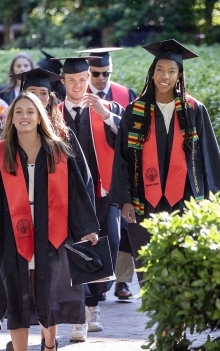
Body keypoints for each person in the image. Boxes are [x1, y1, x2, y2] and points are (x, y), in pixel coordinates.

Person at [0, 92, 99, 351]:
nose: (23, 117)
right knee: (18, 299)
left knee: (47, 293)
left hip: (51, 233)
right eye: (18, 112)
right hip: (12, 234)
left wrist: (87, 228)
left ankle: (50, 345)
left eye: (30, 112)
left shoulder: (58, 152)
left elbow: (76, 192)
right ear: (11, 119)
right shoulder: (0, 153)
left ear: (40, 117)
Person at [109, 40, 220, 285]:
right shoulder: (134, 111)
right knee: (150, 268)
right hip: (143, 202)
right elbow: (121, 159)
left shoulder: (194, 109)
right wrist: (124, 201)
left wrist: (213, 199)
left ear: (179, 75)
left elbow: (208, 155)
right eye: (160, 70)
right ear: (152, 73)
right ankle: (161, 321)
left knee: (183, 266)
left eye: (171, 71)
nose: (165, 76)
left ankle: (177, 323)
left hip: (184, 200)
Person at [55, 56, 124, 342]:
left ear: (89, 80)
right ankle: (84, 311)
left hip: (103, 193)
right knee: (75, 250)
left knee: (109, 246)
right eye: (71, 80)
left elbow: (130, 141)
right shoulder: (52, 114)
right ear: (63, 82)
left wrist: (105, 115)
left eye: (83, 79)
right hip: (68, 196)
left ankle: (94, 301)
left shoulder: (108, 109)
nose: (78, 85)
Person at [78, 47, 138, 301]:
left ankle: (121, 281)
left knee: (123, 233)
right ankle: (97, 285)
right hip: (88, 178)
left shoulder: (125, 95)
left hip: (119, 176)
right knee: (99, 232)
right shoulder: (77, 96)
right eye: (96, 73)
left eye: (106, 73)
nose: (102, 78)